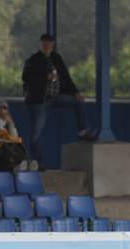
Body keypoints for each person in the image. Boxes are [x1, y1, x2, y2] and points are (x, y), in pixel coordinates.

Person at [23, 33, 96, 170]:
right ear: (40, 44)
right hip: (38, 101)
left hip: (56, 97)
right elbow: (26, 78)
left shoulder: (56, 58)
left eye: (49, 44)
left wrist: (76, 92)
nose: (47, 46)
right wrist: (45, 77)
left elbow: (66, 77)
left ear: (53, 45)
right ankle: (37, 162)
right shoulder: (33, 60)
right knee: (36, 133)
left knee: (77, 101)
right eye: (44, 44)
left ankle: (82, 131)